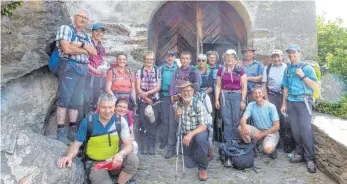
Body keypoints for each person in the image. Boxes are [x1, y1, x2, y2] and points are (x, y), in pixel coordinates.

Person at [57, 94, 139, 184]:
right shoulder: (88, 122)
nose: (107, 111)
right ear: (98, 107)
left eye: (110, 107)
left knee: (133, 159)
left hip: (114, 160)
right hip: (96, 164)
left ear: (114, 107)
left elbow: (129, 145)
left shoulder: (120, 121)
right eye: (104, 107)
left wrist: (121, 154)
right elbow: (76, 145)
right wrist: (69, 156)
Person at [55, 10, 97, 145]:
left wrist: (82, 45)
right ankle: (60, 132)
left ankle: (72, 131)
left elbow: (94, 52)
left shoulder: (85, 36)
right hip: (68, 67)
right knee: (64, 100)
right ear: (75, 17)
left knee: (76, 102)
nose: (83, 20)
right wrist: (86, 50)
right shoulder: (66, 29)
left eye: (86, 18)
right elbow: (66, 49)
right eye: (81, 17)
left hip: (83, 70)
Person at [281, 44, 319, 173]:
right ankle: (300, 153)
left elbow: (314, 85)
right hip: (291, 102)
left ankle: (310, 159)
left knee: (305, 131)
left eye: (294, 53)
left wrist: (303, 75)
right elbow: (285, 87)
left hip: (304, 102)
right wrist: (284, 103)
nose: (291, 55)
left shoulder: (307, 68)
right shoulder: (287, 69)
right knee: (296, 131)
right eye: (289, 53)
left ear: (299, 53)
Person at [215, 49, 247, 166]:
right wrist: (216, 99)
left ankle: (236, 141)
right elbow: (218, 85)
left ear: (235, 58)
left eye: (232, 57)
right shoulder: (221, 70)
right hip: (224, 95)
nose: (229, 59)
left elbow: (244, 86)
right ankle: (228, 143)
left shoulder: (240, 70)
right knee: (227, 119)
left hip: (237, 94)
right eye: (227, 57)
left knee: (236, 119)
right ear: (225, 58)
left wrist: (243, 100)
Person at [166, 51, 201, 158]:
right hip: (177, 101)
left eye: (187, 58)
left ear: (190, 60)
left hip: (188, 101)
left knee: (189, 125)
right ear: (180, 60)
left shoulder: (195, 71)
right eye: (182, 58)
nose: (184, 60)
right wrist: (172, 96)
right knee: (173, 124)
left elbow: (197, 86)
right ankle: (171, 149)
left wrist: (185, 96)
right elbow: (172, 84)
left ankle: (188, 148)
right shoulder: (176, 71)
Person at [174, 81, 209, 181]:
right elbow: (177, 120)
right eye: (183, 91)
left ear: (193, 92)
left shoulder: (198, 104)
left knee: (201, 139)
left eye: (189, 90)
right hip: (186, 135)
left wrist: (190, 135)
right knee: (189, 164)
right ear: (180, 92)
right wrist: (176, 114)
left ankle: (203, 168)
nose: (186, 93)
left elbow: (203, 126)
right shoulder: (178, 104)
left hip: (198, 132)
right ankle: (201, 153)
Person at [239, 85, 280, 160]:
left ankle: (272, 149)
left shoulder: (271, 106)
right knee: (240, 128)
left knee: (267, 149)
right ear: (252, 95)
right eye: (255, 93)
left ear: (263, 94)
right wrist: (245, 127)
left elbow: (277, 126)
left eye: (259, 92)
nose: (257, 95)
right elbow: (243, 119)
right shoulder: (251, 105)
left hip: (271, 132)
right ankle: (251, 147)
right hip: (258, 130)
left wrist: (262, 135)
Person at [136, 51, 162, 155]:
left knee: (153, 123)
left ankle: (151, 146)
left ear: (153, 60)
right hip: (143, 101)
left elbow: (158, 87)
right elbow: (138, 88)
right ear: (144, 60)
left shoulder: (157, 71)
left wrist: (148, 94)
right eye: (147, 59)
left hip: (154, 101)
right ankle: (143, 145)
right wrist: (145, 97)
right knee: (143, 123)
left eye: (151, 59)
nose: (149, 61)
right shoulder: (139, 72)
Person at [262, 50, 287, 147]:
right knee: (272, 119)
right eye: (274, 57)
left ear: (282, 57)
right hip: (271, 96)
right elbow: (264, 84)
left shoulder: (287, 67)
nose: (276, 59)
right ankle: (273, 141)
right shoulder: (267, 68)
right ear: (271, 58)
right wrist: (266, 98)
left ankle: (283, 141)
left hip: (283, 97)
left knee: (284, 118)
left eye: (278, 57)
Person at [157, 51, 179, 157]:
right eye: (168, 56)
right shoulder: (161, 69)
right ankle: (164, 140)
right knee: (164, 119)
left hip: (175, 97)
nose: (170, 58)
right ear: (165, 57)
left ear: (175, 58)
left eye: (172, 56)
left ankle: (173, 142)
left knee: (174, 120)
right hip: (164, 96)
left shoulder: (178, 68)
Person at [85, 23, 107, 114]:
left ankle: (93, 115)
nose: (99, 33)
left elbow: (102, 61)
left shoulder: (102, 48)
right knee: (87, 97)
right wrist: (93, 69)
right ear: (92, 32)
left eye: (101, 32)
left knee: (97, 95)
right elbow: (83, 60)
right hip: (87, 74)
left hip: (97, 76)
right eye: (97, 31)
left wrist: (104, 69)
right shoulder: (87, 44)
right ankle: (85, 117)